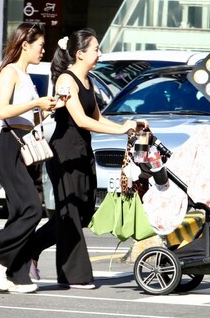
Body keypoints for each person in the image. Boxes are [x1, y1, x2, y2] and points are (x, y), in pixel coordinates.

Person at [31, 28, 142, 290]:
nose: (99, 53)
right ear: (80, 54)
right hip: (64, 151)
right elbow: (81, 120)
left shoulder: (89, 80)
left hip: (82, 150)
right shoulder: (66, 81)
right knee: (69, 212)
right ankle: (74, 275)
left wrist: (128, 125)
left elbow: (98, 117)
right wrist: (121, 129)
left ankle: (27, 250)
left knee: (79, 214)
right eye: (95, 49)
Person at [0, 22, 57, 294]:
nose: (43, 50)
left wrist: (50, 107)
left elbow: (31, 119)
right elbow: (3, 111)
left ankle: (17, 276)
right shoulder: (10, 72)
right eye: (41, 45)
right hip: (8, 146)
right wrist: (36, 103)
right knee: (32, 209)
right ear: (25, 45)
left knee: (19, 212)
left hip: (23, 146)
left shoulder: (26, 75)